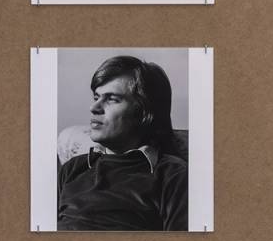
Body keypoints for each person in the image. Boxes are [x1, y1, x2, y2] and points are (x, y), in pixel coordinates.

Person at [56, 56, 188, 231]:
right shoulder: (72, 168)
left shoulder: (172, 175)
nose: (94, 108)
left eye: (112, 99)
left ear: (144, 113)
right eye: (96, 97)